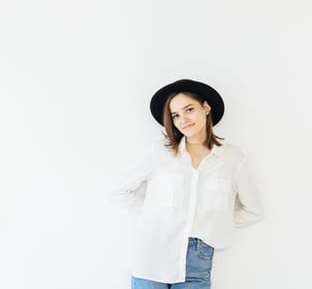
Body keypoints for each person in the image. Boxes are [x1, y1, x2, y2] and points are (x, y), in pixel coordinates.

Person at [111, 79, 264, 289]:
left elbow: (254, 210)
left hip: (197, 261)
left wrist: (212, 225)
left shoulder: (231, 158)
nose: (183, 119)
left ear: (206, 107)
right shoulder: (160, 153)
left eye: (189, 109)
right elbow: (121, 191)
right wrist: (154, 216)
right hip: (152, 256)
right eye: (175, 115)